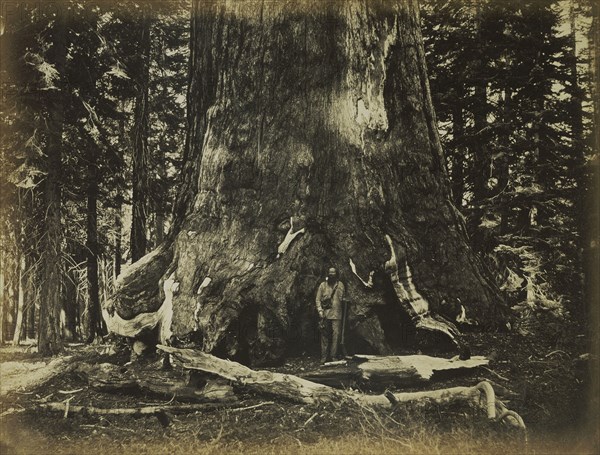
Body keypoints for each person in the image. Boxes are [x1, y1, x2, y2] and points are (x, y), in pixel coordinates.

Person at [315, 267, 345, 364]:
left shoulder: (340, 285)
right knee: (324, 336)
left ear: (336, 274)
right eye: (330, 272)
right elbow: (318, 299)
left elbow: (342, 298)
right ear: (327, 273)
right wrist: (320, 310)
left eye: (333, 272)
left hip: (337, 314)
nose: (332, 274)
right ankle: (324, 357)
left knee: (336, 336)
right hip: (325, 315)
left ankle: (333, 356)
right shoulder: (323, 285)